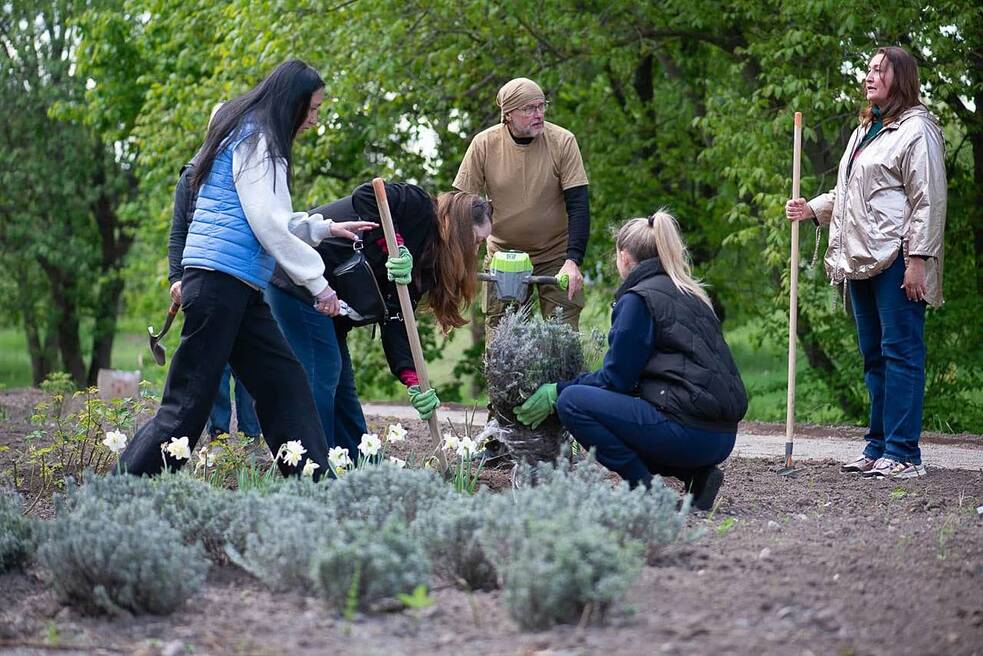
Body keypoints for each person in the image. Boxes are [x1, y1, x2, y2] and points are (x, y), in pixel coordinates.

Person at [120, 60, 373, 479]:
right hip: (220, 284)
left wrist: (323, 227)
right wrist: (318, 285)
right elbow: (268, 225)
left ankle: (315, 488)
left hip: (237, 288)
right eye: (311, 109)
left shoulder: (252, 132)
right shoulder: (259, 141)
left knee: (285, 386)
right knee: (186, 406)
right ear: (291, 103)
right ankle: (120, 490)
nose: (314, 119)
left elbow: (268, 216)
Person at [513, 211, 747, 510]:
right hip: (720, 438)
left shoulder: (639, 299)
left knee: (573, 401)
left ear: (624, 258)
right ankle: (696, 475)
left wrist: (557, 390)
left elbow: (616, 380)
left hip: (686, 432)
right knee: (625, 412)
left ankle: (647, 492)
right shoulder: (691, 293)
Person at [785, 46, 946, 480]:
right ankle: (877, 447)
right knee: (874, 357)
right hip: (860, 259)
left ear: (902, 78)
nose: (869, 76)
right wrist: (813, 208)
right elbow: (851, 195)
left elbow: (928, 199)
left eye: (880, 70)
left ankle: (904, 453)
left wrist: (918, 259)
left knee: (901, 354)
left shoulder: (917, 130)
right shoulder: (865, 131)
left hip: (897, 259)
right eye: (868, 69)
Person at [267, 182, 493, 459]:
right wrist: (394, 246)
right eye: (478, 240)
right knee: (323, 372)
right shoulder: (418, 206)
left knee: (342, 385)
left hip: (333, 304)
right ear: (459, 227)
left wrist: (413, 380)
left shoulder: (427, 263)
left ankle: (359, 462)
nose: (477, 250)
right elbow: (367, 194)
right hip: (299, 282)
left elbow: (397, 318)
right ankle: (313, 463)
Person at [453, 77, 590, 332]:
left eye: (541, 106)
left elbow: (579, 205)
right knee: (503, 344)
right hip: (503, 256)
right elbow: (460, 206)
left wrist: (573, 260)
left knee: (563, 340)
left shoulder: (563, 141)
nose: (538, 114)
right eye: (529, 109)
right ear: (508, 114)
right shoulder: (484, 144)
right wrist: (460, 256)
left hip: (556, 256)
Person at [166, 105, 260, 442]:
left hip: (241, 279)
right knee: (211, 365)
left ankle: (251, 437)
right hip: (201, 278)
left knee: (247, 364)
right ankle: (219, 435)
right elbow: (178, 233)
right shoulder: (191, 176)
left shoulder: (250, 173)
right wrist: (176, 279)